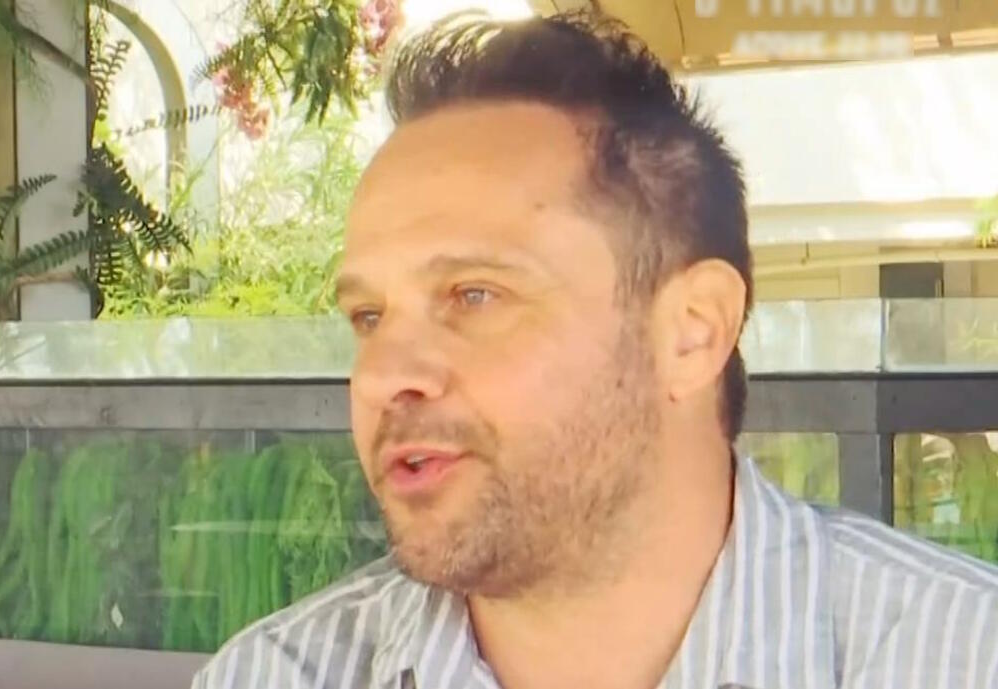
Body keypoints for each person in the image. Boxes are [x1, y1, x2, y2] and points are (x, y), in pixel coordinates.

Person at [192, 10, 998, 689]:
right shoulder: (269, 676)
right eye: (368, 316)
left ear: (692, 331)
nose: (385, 376)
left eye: (474, 295)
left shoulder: (960, 655)